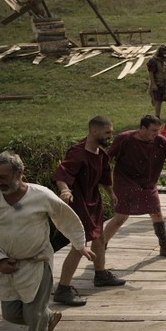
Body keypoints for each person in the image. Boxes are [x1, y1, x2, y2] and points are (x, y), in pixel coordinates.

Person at [0, 152, 95, 331]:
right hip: (8, 264)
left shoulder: (40, 195)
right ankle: (48, 318)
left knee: (35, 313)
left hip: (37, 262)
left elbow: (64, 217)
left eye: (3, 177)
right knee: (11, 314)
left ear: (19, 173)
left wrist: (80, 244)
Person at [53, 115, 124, 307]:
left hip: (94, 200)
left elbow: (104, 177)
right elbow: (62, 174)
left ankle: (100, 275)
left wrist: (111, 194)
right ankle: (63, 289)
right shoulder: (77, 153)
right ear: (94, 131)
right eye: (107, 132)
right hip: (79, 202)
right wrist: (65, 190)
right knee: (79, 244)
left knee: (99, 238)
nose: (110, 136)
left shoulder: (101, 154)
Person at [102, 115, 166, 261]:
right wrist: (103, 175)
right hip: (125, 182)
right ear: (142, 128)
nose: (156, 133)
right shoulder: (124, 139)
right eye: (153, 130)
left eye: (158, 130)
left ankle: (164, 247)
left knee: (156, 213)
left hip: (148, 183)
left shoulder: (160, 141)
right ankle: (101, 244)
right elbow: (107, 158)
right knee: (121, 217)